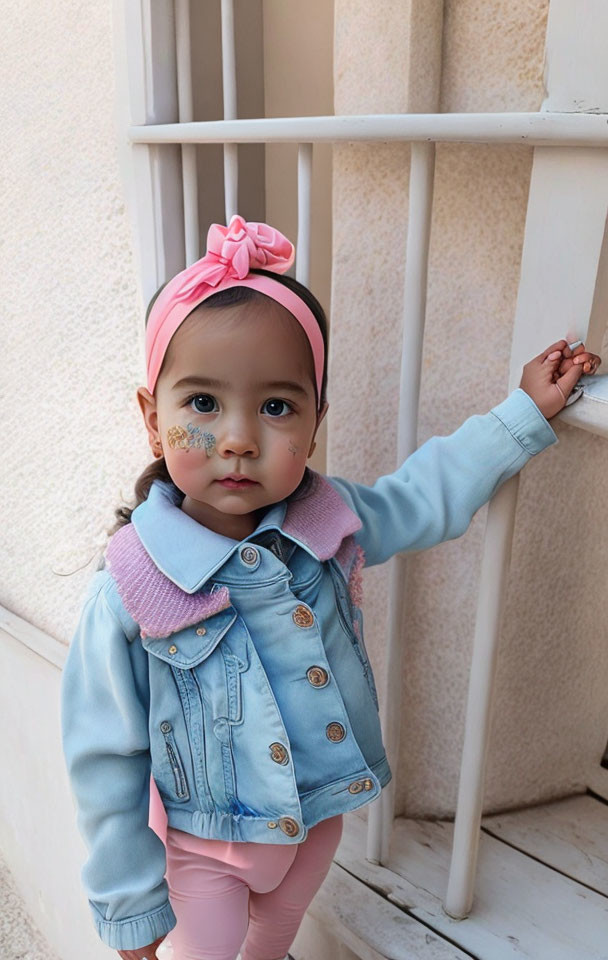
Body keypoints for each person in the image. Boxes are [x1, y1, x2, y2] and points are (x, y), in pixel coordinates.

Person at [61, 215, 601, 960]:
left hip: (319, 822)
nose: (241, 437)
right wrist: (129, 907)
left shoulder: (329, 521)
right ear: (154, 421)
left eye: (277, 406)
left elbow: (424, 495)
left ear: (315, 423)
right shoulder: (131, 586)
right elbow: (103, 755)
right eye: (203, 405)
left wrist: (521, 414)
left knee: (274, 943)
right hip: (204, 847)